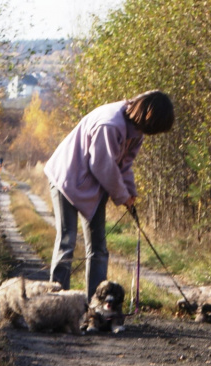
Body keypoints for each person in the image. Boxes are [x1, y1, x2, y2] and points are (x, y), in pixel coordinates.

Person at [44, 90, 174, 301]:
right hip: (66, 179)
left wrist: (130, 195)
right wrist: (122, 196)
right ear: (147, 116)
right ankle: (57, 301)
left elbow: (124, 165)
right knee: (67, 242)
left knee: (98, 247)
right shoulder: (110, 124)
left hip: (93, 185)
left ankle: (96, 304)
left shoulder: (136, 131)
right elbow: (102, 166)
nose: (149, 133)